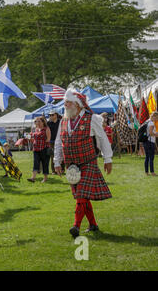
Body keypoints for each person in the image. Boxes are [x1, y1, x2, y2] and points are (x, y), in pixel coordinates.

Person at [54, 89, 113, 238]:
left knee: (81, 194)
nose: (65, 105)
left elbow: (103, 138)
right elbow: (58, 142)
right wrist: (57, 162)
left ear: (77, 104)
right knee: (82, 196)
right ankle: (93, 224)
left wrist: (108, 159)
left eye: (68, 102)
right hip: (71, 165)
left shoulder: (91, 118)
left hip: (88, 162)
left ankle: (76, 226)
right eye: (65, 102)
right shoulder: (64, 120)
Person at [28, 116, 51, 183]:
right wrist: (31, 139)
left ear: (43, 122)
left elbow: (48, 139)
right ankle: (33, 178)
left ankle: (45, 178)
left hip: (44, 148)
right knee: (36, 163)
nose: (37, 123)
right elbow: (33, 138)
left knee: (45, 163)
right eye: (36, 121)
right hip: (36, 149)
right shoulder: (35, 129)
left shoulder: (46, 128)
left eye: (38, 121)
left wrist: (41, 142)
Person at [47, 110, 61, 174]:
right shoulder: (48, 123)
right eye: (50, 115)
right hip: (51, 142)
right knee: (53, 156)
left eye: (52, 115)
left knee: (61, 155)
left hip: (60, 141)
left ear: (56, 115)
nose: (51, 116)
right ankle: (53, 171)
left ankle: (62, 169)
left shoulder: (60, 122)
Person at [144, 111, 158, 176]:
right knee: (151, 157)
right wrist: (156, 134)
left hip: (146, 141)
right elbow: (151, 133)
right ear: (154, 116)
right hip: (149, 142)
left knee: (147, 157)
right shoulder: (151, 123)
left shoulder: (147, 121)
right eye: (157, 118)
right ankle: (152, 172)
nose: (157, 119)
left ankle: (146, 172)